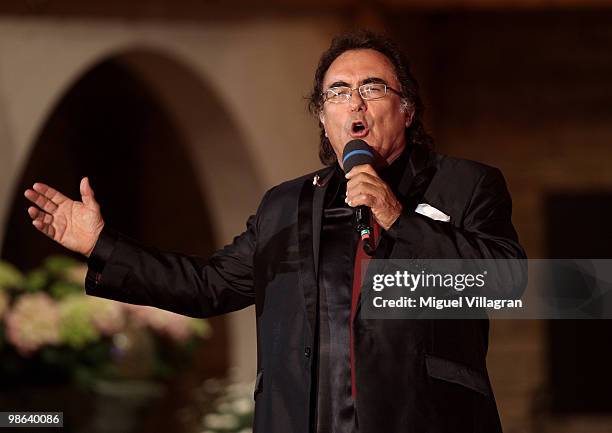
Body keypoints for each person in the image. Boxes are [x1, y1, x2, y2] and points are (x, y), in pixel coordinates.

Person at [24, 30, 525, 433]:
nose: (355, 104)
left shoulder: (465, 185)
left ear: (407, 109)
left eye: (372, 89)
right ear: (323, 117)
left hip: (427, 418)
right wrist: (100, 244)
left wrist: (399, 219)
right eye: (338, 93)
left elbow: (506, 285)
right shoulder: (287, 205)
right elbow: (207, 285)